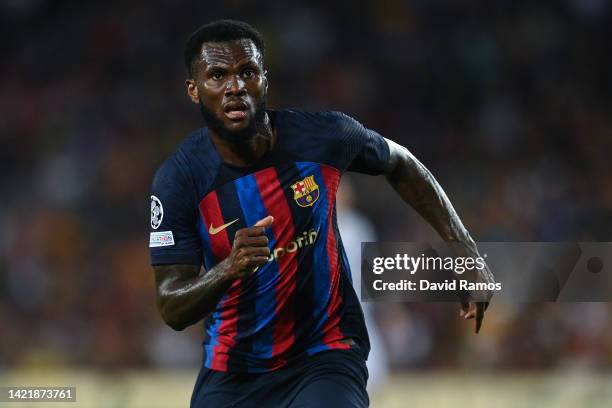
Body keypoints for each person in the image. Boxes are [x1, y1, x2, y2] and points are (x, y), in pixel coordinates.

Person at [148, 19, 493, 408]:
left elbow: (402, 163)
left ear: (265, 78)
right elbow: (171, 305)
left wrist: (464, 250)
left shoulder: (324, 137)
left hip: (324, 356)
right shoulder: (179, 181)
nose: (235, 87)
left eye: (247, 72)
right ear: (193, 90)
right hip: (233, 374)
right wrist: (228, 268)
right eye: (217, 75)